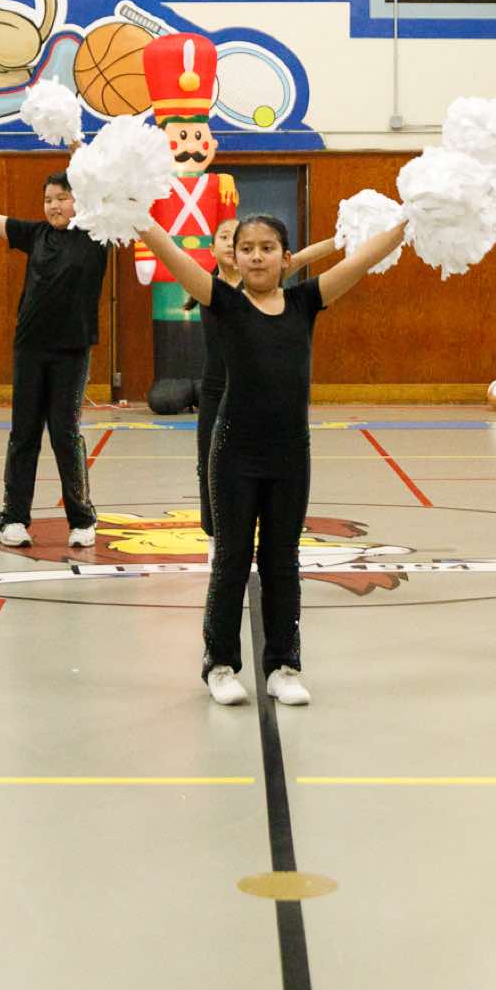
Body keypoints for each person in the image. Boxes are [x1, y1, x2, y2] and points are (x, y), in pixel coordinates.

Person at [140, 211, 407, 707]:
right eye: (247, 248)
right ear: (234, 258)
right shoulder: (223, 302)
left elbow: (360, 262)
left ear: (286, 258)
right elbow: (172, 256)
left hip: (290, 456)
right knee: (232, 560)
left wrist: (404, 223)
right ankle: (220, 665)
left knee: (283, 561)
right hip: (234, 454)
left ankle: (284, 666)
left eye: (267, 248)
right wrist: (139, 219)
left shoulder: (305, 302)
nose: (257, 256)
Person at [0, 171, 109, 549]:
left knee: (65, 434)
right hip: (30, 350)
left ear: (80, 201)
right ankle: (14, 518)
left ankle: (82, 519)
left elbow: (98, 184)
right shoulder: (36, 235)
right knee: (24, 435)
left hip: (72, 352)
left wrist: (79, 153)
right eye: (48, 199)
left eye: (62, 198)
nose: (54, 206)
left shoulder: (97, 236)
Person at [190, 216, 337, 552]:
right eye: (224, 237)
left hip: (252, 393)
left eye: (234, 237)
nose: (231, 244)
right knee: (208, 466)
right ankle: (216, 536)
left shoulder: (258, 280)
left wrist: (340, 240)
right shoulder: (210, 287)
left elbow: (297, 258)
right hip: (216, 391)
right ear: (213, 249)